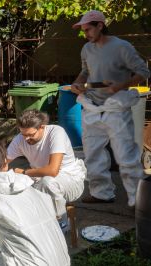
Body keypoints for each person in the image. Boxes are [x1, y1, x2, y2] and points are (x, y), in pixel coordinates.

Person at [71, 10, 150, 207]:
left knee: (126, 156)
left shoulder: (122, 47)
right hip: (92, 106)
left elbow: (143, 71)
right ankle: (101, 193)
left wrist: (120, 85)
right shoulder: (86, 49)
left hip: (116, 107)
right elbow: (84, 71)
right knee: (93, 154)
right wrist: (77, 83)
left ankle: (139, 202)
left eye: (88, 29)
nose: (86, 34)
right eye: (83, 31)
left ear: (100, 25)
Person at [7, 110, 86, 218]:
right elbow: (3, 162)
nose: (26, 138)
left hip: (70, 181)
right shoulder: (20, 139)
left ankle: (60, 223)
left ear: (42, 127)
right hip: (40, 182)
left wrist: (24, 172)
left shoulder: (56, 132)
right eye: (23, 134)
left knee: (48, 182)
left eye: (31, 134)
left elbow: (52, 171)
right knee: (11, 185)